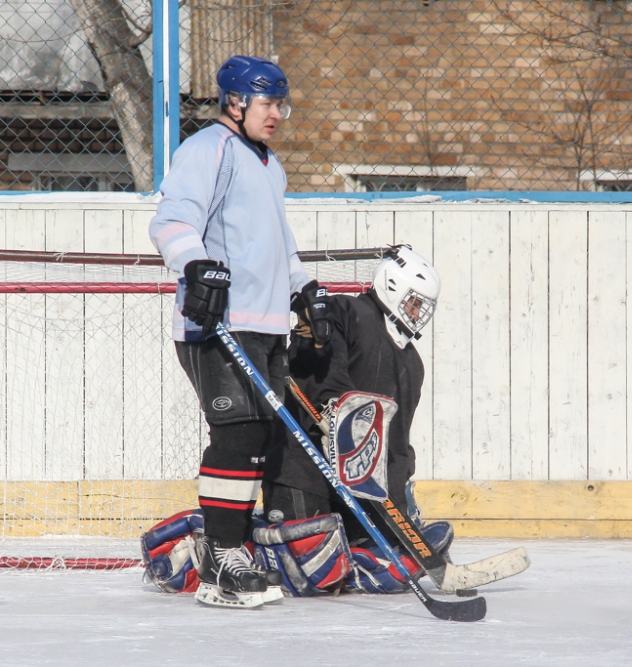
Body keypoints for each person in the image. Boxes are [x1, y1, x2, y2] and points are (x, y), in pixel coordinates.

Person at [148, 55, 330, 608]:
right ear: (236, 102)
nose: (276, 114)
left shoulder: (269, 164)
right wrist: (196, 265)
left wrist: (303, 288)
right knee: (239, 434)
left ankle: (231, 545)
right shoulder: (208, 149)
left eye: (281, 105)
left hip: (266, 325)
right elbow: (172, 220)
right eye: (267, 103)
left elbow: (279, 244)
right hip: (219, 324)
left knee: (260, 441)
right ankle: (221, 560)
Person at [261, 245, 454, 593]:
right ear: (392, 286)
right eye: (414, 302)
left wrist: (397, 510)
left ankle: (364, 559)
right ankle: (236, 541)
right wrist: (338, 407)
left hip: (358, 487)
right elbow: (318, 365)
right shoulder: (344, 312)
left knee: (368, 564)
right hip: (304, 469)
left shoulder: (412, 364)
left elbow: (396, 444)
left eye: (423, 307)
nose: (418, 313)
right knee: (315, 576)